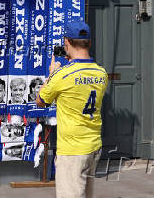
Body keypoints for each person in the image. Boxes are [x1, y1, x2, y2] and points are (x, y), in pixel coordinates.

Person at [36, 20, 108, 198]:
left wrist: (52, 74)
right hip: (93, 146)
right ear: (89, 43)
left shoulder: (62, 75)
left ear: (66, 42)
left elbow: (41, 101)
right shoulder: (101, 73)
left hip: (72, 150)